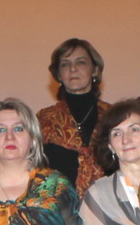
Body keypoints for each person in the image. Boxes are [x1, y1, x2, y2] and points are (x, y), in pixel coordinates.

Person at [37, 38, 110, 197]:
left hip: (107, 204)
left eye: (81, 62)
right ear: (59, 75)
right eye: (65, 64)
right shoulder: (43, 120)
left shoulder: (114, 117)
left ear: (94, 70)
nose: (72, 69)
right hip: (59, 206)